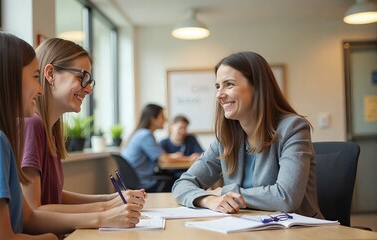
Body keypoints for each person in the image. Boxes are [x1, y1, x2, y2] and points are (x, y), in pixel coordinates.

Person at [0, 30, 140, 239]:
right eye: (34, 77)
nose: (40, 89)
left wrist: (106, 207)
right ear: (7, 79)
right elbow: (15, 226)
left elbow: (29, 215)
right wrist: (101, 214)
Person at [172, 51, 324, 219]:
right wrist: (208, 199)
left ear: (257, 86)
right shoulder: (226, 138)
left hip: (297, 231)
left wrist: (225, 192)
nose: (219, 95)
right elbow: (182, 184)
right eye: (217, 86)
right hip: (247, 228)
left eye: (229, 84)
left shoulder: (293, 128)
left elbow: (286, 198)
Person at [21, 37, 146, 228]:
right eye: (82, 78)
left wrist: (111, 199)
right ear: (51, 73)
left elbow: (53, 195)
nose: (88, 89)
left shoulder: (50, 130)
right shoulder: (32, 124)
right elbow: (35, 210)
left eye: (90, 81)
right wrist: (106, 209)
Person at [121, 104, 197, 192]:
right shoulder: (146, 136)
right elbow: (165, 160)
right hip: (144, 183)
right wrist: (189, 159)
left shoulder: (139, 134)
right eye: (162, 116)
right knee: (182, 182)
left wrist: (171, 156)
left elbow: (161, 157)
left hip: (136, 180)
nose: (165, 119)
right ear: (153, 119)